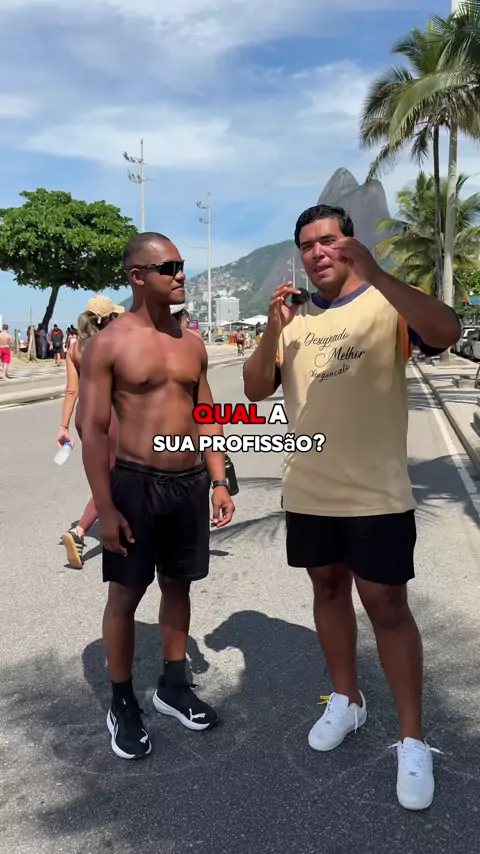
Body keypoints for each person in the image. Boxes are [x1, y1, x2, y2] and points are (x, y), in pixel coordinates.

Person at [243, 204, 460, 811]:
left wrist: (380, 275)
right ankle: (347, 699)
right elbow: (255, 389)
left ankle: (412, 739)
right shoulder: (293, 319)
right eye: (307, 244)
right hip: (309, 489)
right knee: (329, 590)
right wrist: (272, 328)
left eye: (330, 240)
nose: (318, 252)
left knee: (387, 606)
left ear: (352, 244)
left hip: (376, 492)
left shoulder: (386, 304)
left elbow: (446, 332)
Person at [79, 231, 235, 761]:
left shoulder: (191, 342)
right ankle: (122, 702)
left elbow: (207, 414)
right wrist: (105, 507)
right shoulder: (109, 343)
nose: (180, 274)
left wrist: (218, 480)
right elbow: (93, 429)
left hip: (187, 483)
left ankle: (173, 684)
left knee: (178, 584)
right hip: (136, 484)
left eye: (181, 265)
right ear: (138, 277)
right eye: (168, 268)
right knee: (125, 595)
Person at [57, 296, 125, 568]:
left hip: (83, 418)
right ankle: (80, 531)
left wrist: (63, 427)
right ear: (108, 319)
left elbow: (71, 390)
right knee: (111, 477)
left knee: (102, 473)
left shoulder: (74, 348)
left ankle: (112, 523)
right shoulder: (113, 344)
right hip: (109, 416)